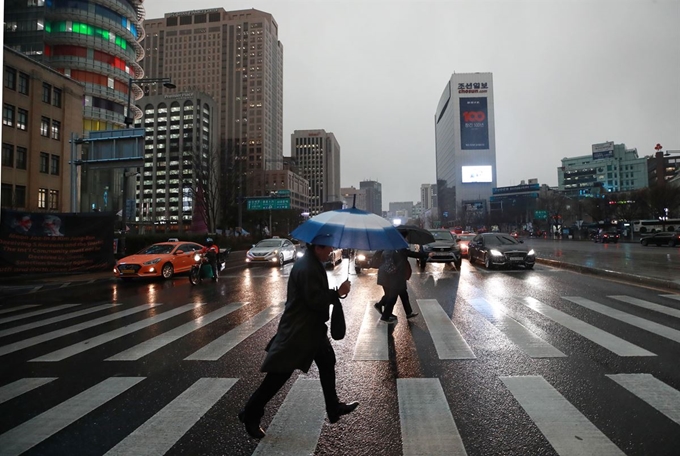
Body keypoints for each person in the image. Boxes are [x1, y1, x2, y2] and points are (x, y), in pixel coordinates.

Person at [238, 242, 357, 439]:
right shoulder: (308, 267)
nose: (331, 252)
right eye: (328, 248)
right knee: (278, 376)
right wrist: (337, 293)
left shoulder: (312, 262)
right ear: (318, 247)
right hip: (299, 331)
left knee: (327, 362)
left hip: (311, 329)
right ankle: (250, 413)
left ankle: (333, 407)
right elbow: (315, 300)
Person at [374, 235, 430, 324]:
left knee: (402, 294)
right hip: (395, 276)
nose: (407, 240)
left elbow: (377, 257)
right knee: (392, 297)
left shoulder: (388, 247)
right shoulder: (400, 249)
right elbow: (412, 254)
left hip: (386, 275)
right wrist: (427, 254)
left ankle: (408, 313)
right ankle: (385, 316)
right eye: (406, 238)